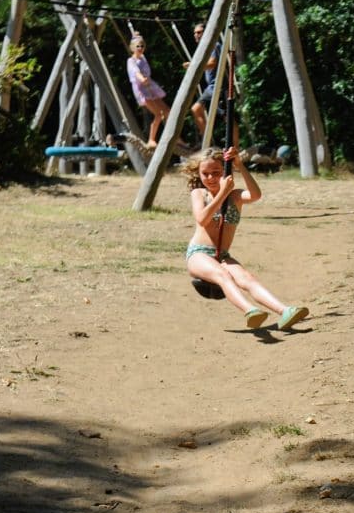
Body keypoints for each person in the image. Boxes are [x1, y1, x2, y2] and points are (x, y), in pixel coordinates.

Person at [183, 146, 309, 330]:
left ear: (225, 172)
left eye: (216, 172)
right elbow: (202, 219)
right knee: (222, 275)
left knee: (247, 279)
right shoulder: (199, 194)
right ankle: (250, 310)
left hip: (222, 255)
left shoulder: (235, 196)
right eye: (205, 173)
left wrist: (240, 165)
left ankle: (285, 311)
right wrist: (222, 193)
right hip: (199, 254)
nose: (210, 178)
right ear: (199, 173)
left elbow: (256, 195)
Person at [125, 35, 173, 149]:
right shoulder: (131, 61)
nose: (140, 48)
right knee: (158, 114)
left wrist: (137, 35)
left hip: (150, 87)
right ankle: (151, 139)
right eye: (138, 46)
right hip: (142, 89)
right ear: (132, 48)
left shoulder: (143, 57)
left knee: (167, 111)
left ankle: (174, 137)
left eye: (142, 46)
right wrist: (142, 79)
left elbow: (138, 38)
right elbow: (136, 73)